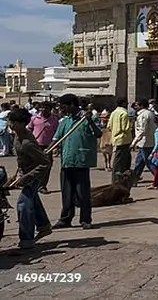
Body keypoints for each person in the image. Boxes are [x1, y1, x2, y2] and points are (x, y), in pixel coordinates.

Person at [51, 93, 102, 231]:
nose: (62, 109)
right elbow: (56, 139)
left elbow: (99, 134)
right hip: (66, 161)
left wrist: (90, 120)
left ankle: (85, 219)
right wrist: (47, 151)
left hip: (81, 161)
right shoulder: (65, 121)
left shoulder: (88, 118)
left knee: (82, 193)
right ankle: (65, 219)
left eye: (64, 106)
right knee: (66, 193)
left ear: (72, 105)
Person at [7, 107, 51, 250]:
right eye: (9, 121)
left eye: (13, 122)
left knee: (23, 204)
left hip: (34, 175)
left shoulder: (28, 143)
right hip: (25, 173)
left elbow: (45, 163)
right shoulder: (17, 136)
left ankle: (27, 239)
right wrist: (17, 174)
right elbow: (21, 159)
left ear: (21, 123)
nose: (10, 124)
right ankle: (44, 226)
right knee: (33, 199)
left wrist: (26, 178)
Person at [27, 103, 57, 193]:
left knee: (47, 166)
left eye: (46, 108)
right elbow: (29, 130)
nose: (43, 109)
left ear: (50, 109)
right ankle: (31, 184)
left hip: (48, 146)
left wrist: (55, 147)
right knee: (33, 166)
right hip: (35, 145)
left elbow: (56, 134)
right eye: (42, 107)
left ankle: (42, 186)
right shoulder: (34, 119)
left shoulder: (54, 120)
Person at [108, 97, 133, 180]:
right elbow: (125, 128)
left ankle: (121, 176)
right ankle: (116, 178)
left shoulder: (113, 113)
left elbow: (109, 126)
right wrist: (131, 126)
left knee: (121, 159)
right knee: (120, 160)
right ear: (123, 103)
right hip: (124, 139)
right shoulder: (124, 113)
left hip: (115, 138)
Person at [132, 98, 157, 181]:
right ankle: (135, 178)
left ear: (141, 106)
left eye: (136, 105)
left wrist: (133, 143)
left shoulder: (144, 115)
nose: (135, 107)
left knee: (149, 163)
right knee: (139, 162)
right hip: (146, 141)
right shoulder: (150, 113)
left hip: (145, 142)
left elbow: (142, 130)